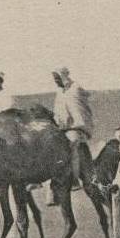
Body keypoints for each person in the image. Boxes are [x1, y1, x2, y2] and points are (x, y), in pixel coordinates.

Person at [46, 67, 95, 204]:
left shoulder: (76, 89)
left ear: (63, 76)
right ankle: (51, 187)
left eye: (57, 78)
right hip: (63, 128)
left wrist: (72, 124)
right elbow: (59, 111)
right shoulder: (60, 91)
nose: (55, 81)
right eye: (54, 78)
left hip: (76, 129)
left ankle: (74, 179)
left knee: (72, 142)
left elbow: (81, 111)